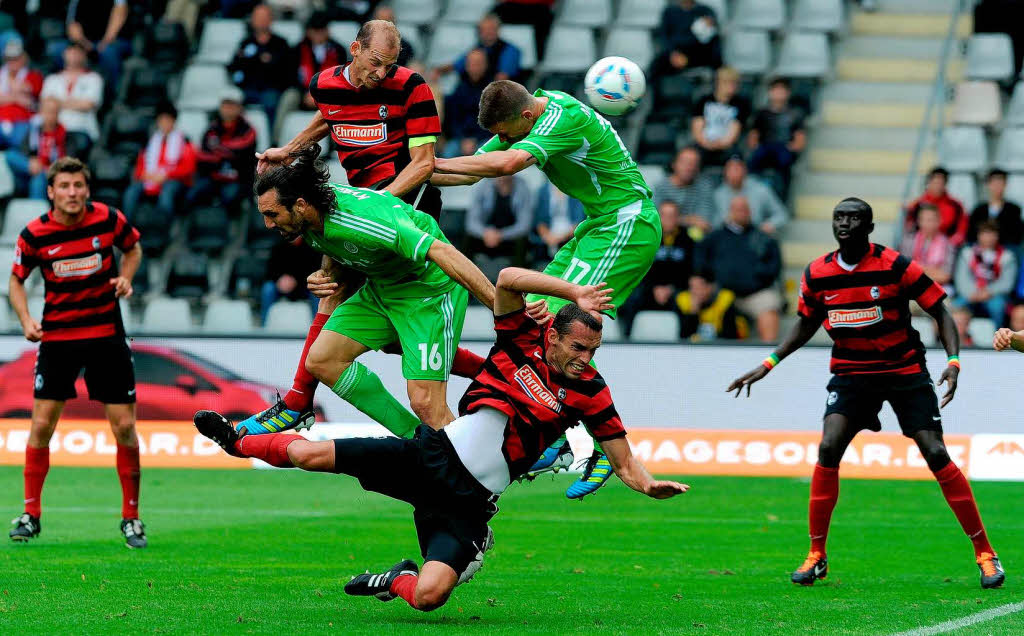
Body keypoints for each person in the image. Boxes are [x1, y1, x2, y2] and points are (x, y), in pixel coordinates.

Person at [192, 266, 688, 612]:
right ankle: (236, 441)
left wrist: (648, 486)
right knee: (306, 452)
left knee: (430, 595)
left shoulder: (591, 392)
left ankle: (395, 578)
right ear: (554, 336)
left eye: (594, 350)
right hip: (430, 455)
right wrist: (573, 291)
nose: (586, 358)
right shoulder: (519, 337)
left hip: (468, 503)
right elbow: (509, 280)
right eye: (579, 347)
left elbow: (624, 461)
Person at [727, 197, 1004, 590]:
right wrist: (769, 363)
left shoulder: (895, 265)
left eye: (854, 218)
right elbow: (806, 323)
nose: (845, 223)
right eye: (839, 217)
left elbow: (941, 310)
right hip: (852, 375)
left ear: (869, 227)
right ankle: (816, 554)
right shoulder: (818, 272)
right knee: (828, 447)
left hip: (903, 371)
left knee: (936, 452)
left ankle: (985, 553)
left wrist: (954, 361)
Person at [432, 79, 662, 499]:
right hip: (598, 225)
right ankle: (563, 435)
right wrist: (412, 170)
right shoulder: (530, 116)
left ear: (525, 116)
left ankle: (586, 442)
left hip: (626, 224)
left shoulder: (561, 117)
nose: (499, 141)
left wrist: (428, 165)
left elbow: (504, 165)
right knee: (535, 317)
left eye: (503, 132)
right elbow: (467, 174)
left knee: (567, 327)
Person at [243, 19, 447, 435]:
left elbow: (425, 163)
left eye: (389, 65)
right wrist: (288, 149)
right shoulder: (325, 84)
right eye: (376, 63)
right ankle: (300, 401)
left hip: (404, 205)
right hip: (358, 206)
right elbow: (328, 118)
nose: (382, 74)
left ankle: (297, 402)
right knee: (373, 320)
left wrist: (379, 205)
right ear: (354, 49)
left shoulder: (412, 87)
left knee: (332, 290)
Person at [243, 144, 495, 438]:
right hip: (382, 288)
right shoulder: (310, 219)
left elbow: (443, 252)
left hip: (427, 292)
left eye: (272, 214)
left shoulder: (364, 222)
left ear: (300, 205)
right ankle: (420, 443)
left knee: (426, 403)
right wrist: (325, 274)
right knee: (322, 359)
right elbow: (335, 245)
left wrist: (505, 309)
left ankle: (471, 475)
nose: (267, 223)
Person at [7, 157, 146, 548]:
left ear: (87, 189)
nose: (73, 193)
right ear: (51, 192)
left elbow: (134, 249)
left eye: (79, 186)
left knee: (123, 429)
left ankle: (132, 518)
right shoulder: (33, 234)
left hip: (107, 338)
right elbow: (16, 282)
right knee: (40, 427)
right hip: (57, 340)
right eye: (64, 186)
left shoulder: (107, 219)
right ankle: (31, 514)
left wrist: (126, 278)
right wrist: (25, 319)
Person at [699, 195, 782, 342]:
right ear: (730, 211)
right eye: (738, 209)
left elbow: (774, 266)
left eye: (745, 209)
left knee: (769, 305)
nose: (742, 212)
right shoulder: (714, 238)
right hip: (721, 293)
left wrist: (756, 278)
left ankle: (768, 356)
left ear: (750, 211)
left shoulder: (763, 237)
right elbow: (700, 265)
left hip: (755, 293)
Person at [618, 200, 694, 336]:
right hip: (649, 289)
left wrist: (670, 288)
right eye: (665, 215)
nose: (668, 219)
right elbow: (640, 267)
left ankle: (685, 344)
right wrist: (654, 288)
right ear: (659, 217)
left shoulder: (688, 241)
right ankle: (626, 338)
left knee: (688, 304)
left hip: (676, 290)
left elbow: (689, 271)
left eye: (672, 215)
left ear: (678, 217)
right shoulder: (647, 238)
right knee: (630, 299)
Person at [186, 87, 257, 213]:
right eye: (225, 104)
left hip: (238, 178)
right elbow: (202, 156)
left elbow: (242, 152)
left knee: (231, 197)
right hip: (214, 176)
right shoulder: (211, 128)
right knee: (192, 194)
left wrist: (218, 149)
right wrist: (225, 155)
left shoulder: (248, 130)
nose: (228, 108)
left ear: (240, 108)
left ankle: (236, 230)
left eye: (232, 105)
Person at [122, 101, 197, 222]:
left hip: (174, 180)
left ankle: (164, 229)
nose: (164, 123)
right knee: (131, 192)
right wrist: (144, 174)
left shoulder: (184, 141)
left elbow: (188, 168)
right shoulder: (152, 141)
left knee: (167, 193)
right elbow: (141, 165)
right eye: (161, 120)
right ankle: (127, 229)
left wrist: (166, 176)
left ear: (173, 121)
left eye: (167, 120)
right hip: (151, 178)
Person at [228, 4, 294, 128]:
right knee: (229, 102)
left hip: (271, 89)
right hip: (248, 88)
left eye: (264, 17)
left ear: (271, 19)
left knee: (270, 101)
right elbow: (235, 66)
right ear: (252, 20)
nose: (261, 21)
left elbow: (286, 71)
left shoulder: (280, 43)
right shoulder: (245, 42)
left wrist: (258, 62)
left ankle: (272, 140)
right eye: (258, 17)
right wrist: (260, 61)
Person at [465, 173, 534, 279]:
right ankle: (467, 279)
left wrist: (500, 235)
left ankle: (516, 282)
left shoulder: (522, 188)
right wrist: (485, 233)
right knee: (468, 238)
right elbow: (471, 222)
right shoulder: (484, 186)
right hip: (486, 237)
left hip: (509, 238)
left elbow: (524, 225)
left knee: (522, 241)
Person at [747, 77, 806, 200]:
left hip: (783, 149)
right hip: (765, 148)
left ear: (788, 93)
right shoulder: (761, 113)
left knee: (784, 161)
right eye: (776, 90)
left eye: (782, 90)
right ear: (770, 92)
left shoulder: (795, 114)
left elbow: (800, 140)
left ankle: (781, 198)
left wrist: (791, 148)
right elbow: (753, 138)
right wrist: (756, 147)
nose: (779, 94)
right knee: (754, 161)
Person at [39, 43, 103, 156]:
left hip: (81, 128)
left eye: (78, 52)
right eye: (71, 51)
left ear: (84, 56)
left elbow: (88, 104)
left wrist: (57, 103)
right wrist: (75, 103)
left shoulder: (94, 78)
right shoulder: (52, 79)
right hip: (54, 129)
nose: (74, 55)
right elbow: (45, 104)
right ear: (64, 54)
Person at [953, 221, 1016, 326]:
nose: (988, 238)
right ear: (978, 235)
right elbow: (961, 278)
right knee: (955, 306)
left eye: (992, 234)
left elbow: (1007, 283)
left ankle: (997, 338)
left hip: (994, 295)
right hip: (970, 293)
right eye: (985, 233)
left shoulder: (1007, 256)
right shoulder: (967, 253)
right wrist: (972, 293)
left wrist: (988, 292)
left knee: (997, 307)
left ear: (997, 236)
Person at [5, 97, 67, 200]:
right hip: (30, 169)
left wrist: (48, 169)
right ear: (41, 113)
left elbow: (66, 161)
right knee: (10, 155)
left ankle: (36, 214)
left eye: (53, 112)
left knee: (38, 178)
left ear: (58, 114)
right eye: (47, 111)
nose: (50, 115)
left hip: (50, 173)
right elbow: (23, 150)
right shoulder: (34, 130)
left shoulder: (64, 134)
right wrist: (31, 162)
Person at [432, 14, 521, 84]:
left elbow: (502, 78)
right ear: (479, 32)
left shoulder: (510, 50)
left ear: (498, 30)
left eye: (492, 29)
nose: (489, 32)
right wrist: (438, 71)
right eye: (485, 29)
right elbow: (456, 65)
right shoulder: (477, 49)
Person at [690, 66, 749, 170]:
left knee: (737, 162)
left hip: (727, 146)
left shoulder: (741, 104)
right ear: (718, 83)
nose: (732, 86)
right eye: (727, 82)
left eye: (734, 83)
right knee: (689, 157)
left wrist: (721, 144)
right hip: (704, 143)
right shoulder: (703, 101)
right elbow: (697, 128)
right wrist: (706, 143)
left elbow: (734, 132)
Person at [713, 155, 788, 234]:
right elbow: (715, 223)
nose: (734, 172)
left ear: (745, 170)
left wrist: (770, 224)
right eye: (730, 169)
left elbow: (782, 214)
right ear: (725, 172)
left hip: (755, 236)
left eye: (737, 168)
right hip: (728, 237)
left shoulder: (761, 189)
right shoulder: (719, 194)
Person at [651, 0, 722, 81]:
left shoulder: (706, 11)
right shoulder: (669, 12)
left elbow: (711, 38)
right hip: (674, 54)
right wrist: (672, 54)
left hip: (698, 54)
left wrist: (711, 24)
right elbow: (664, 36)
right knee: (656, 66)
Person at [653, 145, 716, 236]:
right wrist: (690, 220)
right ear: (674, 164)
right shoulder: (660, 187)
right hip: (663, 237)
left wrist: (671, 218)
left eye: (694, 164)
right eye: (685, 163)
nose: (689, 168)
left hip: (693, 240)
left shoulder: (704, 187)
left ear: (698, 168)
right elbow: (654, 220)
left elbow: (705, 223)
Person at [292, 10, 346, 113]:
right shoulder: (297, 50)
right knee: (290, 97)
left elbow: (342, 77)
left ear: (327, 31)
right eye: (315, 31)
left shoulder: (339, 50)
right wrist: (305, 93)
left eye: (321, 30)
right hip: (303, 93)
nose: (318, 34)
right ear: (308, 32)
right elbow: (291, 76)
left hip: (329, 93)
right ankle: (276, 129)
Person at [260, 236, 322, 324]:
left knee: (318, 292)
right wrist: (279, 279)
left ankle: (318, 326)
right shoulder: (278, 245)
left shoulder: (311, 245)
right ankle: (263, 324)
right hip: (281, 285)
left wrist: (296, 281)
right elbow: (270, 270)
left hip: (304, 285)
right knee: (268, 289)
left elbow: (315, 270)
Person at [899, 203, 955, 297]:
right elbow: (904, 271)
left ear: (939, 221)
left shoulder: (948, 244)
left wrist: (917, 269)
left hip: (939, 287)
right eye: (922, 220)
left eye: (930, 220)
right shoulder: (908, 241)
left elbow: (945, 276)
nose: (925, 224)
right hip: (912, 287)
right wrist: (933, 270)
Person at [442, 48, 491, 157]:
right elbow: (452, 120)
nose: (475, 67)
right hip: (460, 139)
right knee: (448, 155)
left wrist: (475, 139)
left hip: (485, 138)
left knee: (488, 157)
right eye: (472, 63)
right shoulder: (458, 88)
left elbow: (495, 123)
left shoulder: (494, 90)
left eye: (478, 63)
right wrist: (463, 139)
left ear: (485, 65)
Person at [904, 167, 968, 246]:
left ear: (945, 184)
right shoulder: (917, 204)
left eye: (941, 183)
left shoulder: (956, 205)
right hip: (921, 245)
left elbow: (961, 231)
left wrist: (950, 243)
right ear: (929, 182)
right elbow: (909, 227)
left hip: (947, 247)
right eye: (935, 182)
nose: (937, 186)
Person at [676, 271, 747, 341]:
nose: (695, 292)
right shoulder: (683, 299)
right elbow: (683, 336)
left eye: (699, 287)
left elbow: (730, 335)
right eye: (692, 287)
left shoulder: (724, 299)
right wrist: (694, 311)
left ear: (710, 287)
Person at [0, 38, 42, 150]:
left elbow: (32, 102)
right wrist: (16, 97)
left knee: (20, 140)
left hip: (23, 121)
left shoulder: (34, 76)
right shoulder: (1, 74)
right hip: (1, 120)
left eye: (16, 58)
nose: (12, 62)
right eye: (9, 59)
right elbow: (22, 97)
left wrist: (6, 96)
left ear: (23, 58)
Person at [532, 180, 584, 262]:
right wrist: (547, 236)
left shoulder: (576, 189)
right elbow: (539, 220)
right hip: (549, 233)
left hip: (570, 232)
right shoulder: (543, 190)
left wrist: (560, 238)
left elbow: (579, 220)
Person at [968, 169, 1022, 246]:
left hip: (1005, 249)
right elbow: (971, 234)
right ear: (988, 185)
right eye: (994, 183)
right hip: (981, 249)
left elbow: (1016, 236)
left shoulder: (1013, 210)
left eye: (1000, 183)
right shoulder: (978, 210)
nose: (997, 187)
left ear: (1005, 185)